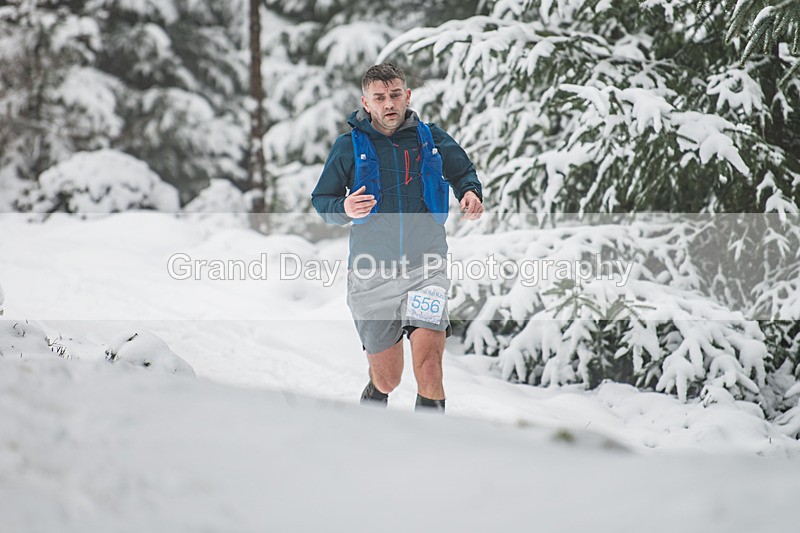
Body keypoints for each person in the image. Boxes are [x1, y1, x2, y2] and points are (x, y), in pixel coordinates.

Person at [311, 63, 483, 412]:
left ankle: (428, 452)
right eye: (379, 97)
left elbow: (462, 171)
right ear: (366, 102)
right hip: (371, 273)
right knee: (388, 377)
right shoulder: (348, 147)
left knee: (430, 368)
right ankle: (373, 415)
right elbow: (322, 201)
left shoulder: (430, 138)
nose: (388, 103)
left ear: (407, 96)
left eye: (394, 95)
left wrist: (470, 192)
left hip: (426, 269)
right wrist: (345, 206)